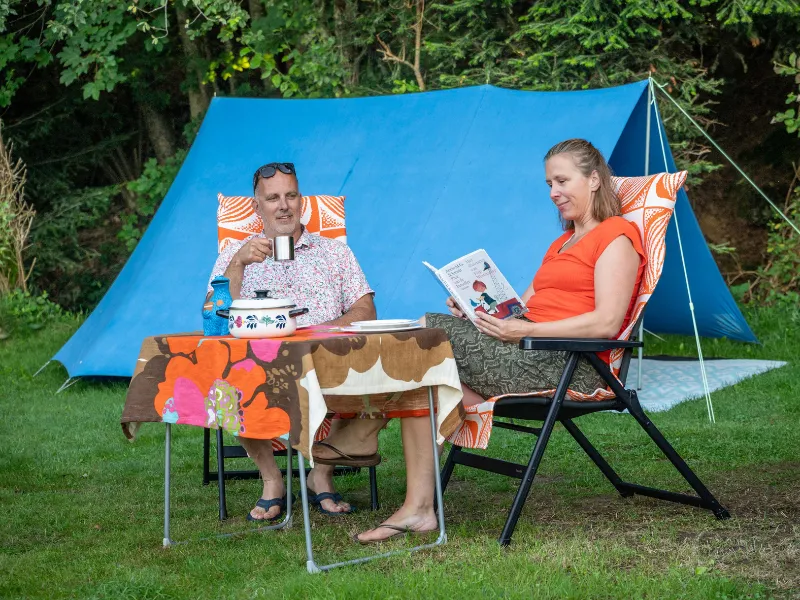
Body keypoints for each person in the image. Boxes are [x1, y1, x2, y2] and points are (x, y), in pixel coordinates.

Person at [341, 138, 646, 543]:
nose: (553, 192)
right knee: (424, 382)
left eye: (562, 180)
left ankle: (364, 428)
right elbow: (523, 310)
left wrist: (527, 331)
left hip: (570, 367)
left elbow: (606, 322)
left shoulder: (617, 237)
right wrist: (474, 311)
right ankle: (418, 510)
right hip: (524, 350)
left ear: (593, 180)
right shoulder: (561, 243)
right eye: (548, 184)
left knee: (423, 330)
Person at [205, 162, 378, 522]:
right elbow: (212, 316)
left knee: (388, 376)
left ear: (301, 201)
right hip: (261, 369)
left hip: (329, 361)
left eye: (291, 195)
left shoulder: (334, 252)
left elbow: (366, 308)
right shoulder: (234, 255)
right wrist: (237, 265)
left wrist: (319, 333)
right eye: (272, 198)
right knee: (225, 383)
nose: (283, 205)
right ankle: (272, 479)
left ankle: (321, 472)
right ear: (257, 207)